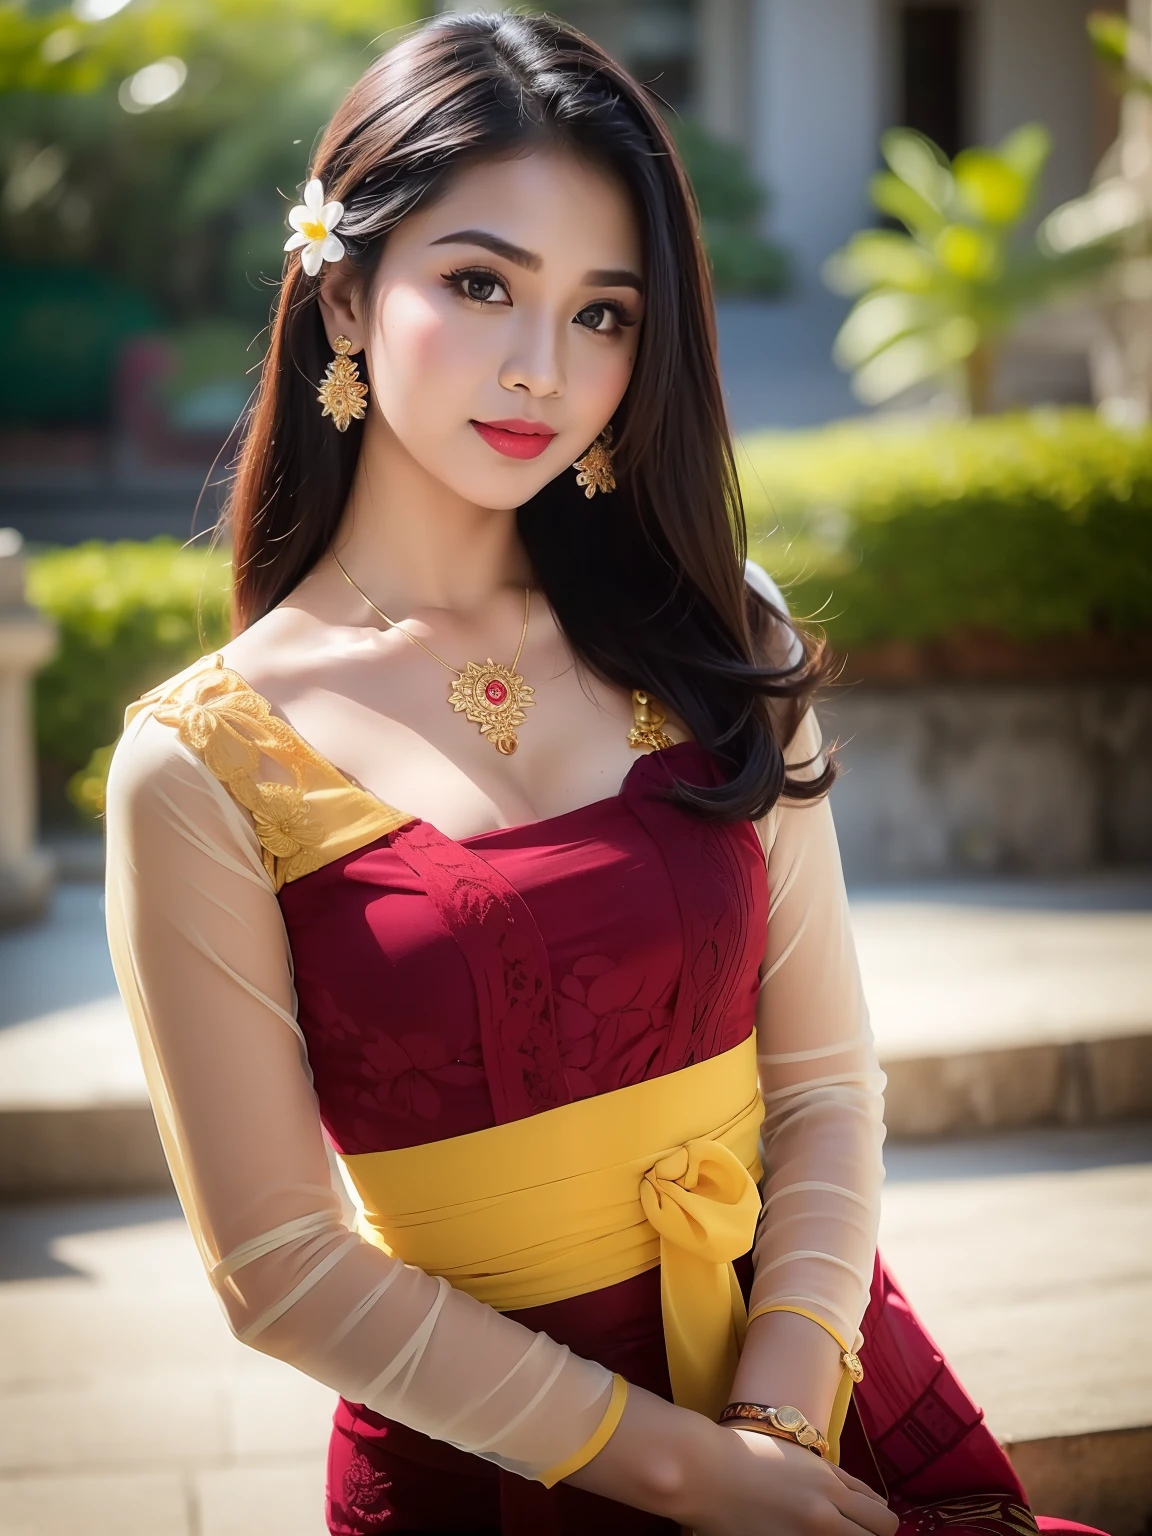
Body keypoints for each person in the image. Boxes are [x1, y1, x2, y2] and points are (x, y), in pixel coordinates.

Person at [103, 14, 1104, 1536]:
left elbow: (826, 1085)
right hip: (489, 1475)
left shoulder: (715, 634)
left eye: (604, 314)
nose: (540, 367)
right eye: (482, 283)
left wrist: (773, 1427)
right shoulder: (202, 763)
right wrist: (696, 1478)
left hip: (826, 1399)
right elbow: (280, 1268)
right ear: (351, 292)